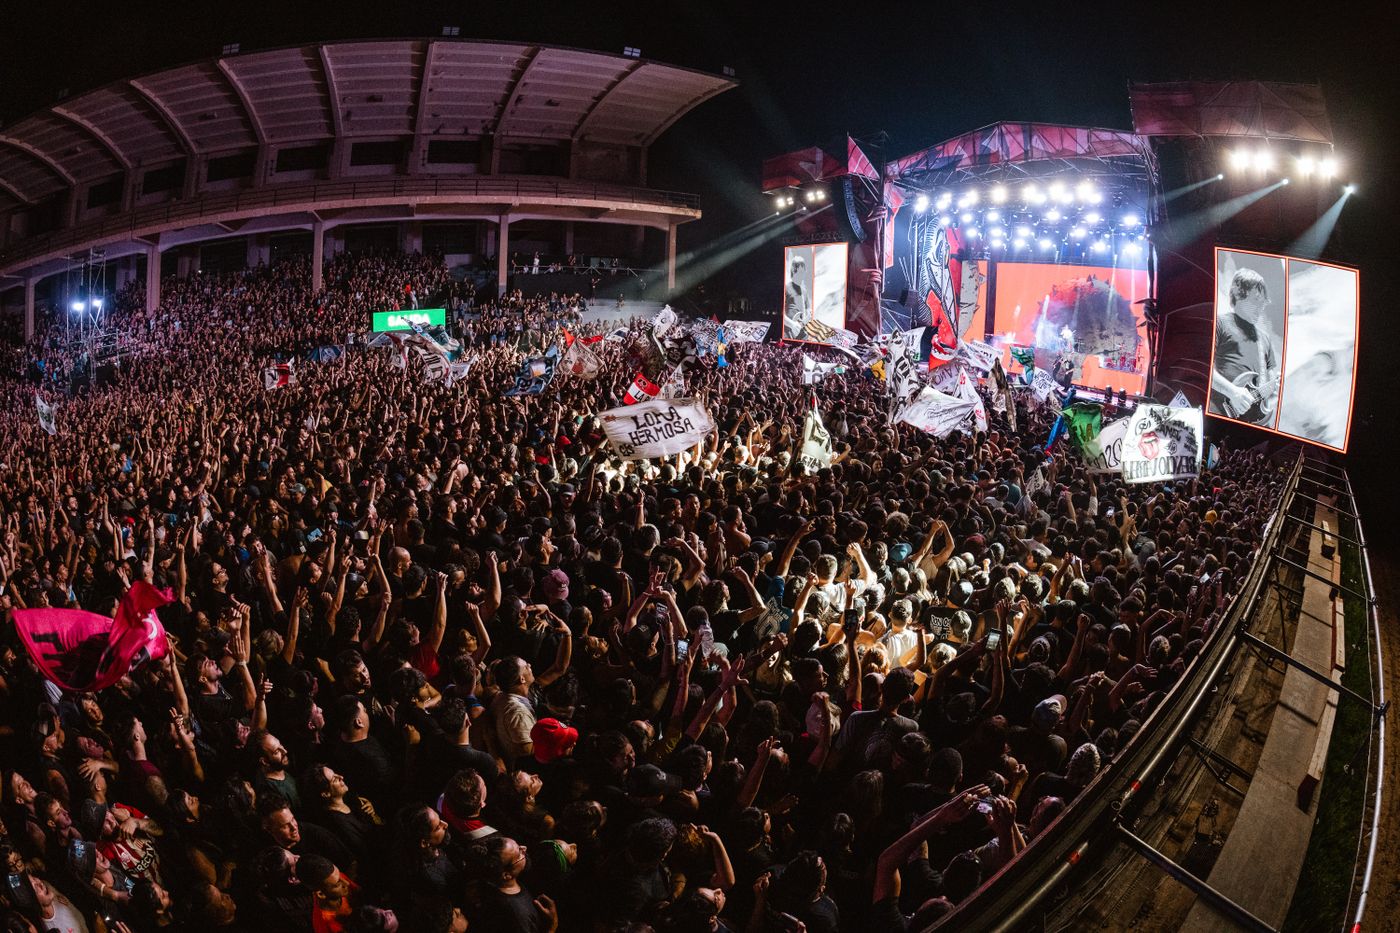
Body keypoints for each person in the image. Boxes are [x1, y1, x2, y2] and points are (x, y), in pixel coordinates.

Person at [1209, 267, 1281, 425]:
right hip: (1218, 415)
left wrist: (1272, 394)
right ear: (1238, 294)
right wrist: (1232, 392)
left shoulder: (1265, 339)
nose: (1262, 305)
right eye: (1256, 299)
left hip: (1250, 423)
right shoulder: (1220, 323)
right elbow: (1204, 369)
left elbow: (1268, 386)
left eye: (1264, 301)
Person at [784, 254, 812, 340]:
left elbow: (808, 312)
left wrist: (808, 317)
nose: (803, 275)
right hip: (787, 332)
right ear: (793, 270)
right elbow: (781, 314)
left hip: (799, 333)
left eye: (804, 272)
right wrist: (792, 324)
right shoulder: (786, 288)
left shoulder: (804, 291)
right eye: (800, 272)